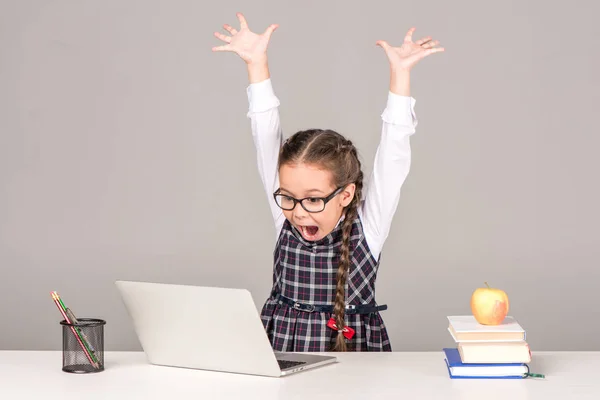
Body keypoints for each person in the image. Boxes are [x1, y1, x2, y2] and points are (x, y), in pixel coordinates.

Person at [212, 13, 444, 352]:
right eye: (288, 197)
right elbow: (265, 136)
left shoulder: (369, 227)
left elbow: (393, 154)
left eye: (314, 199)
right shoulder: (286, 216)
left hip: (353, 356)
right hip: (284, 346)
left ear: (346, 194)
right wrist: (256, 64)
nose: (300, 212)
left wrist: (401, 75)